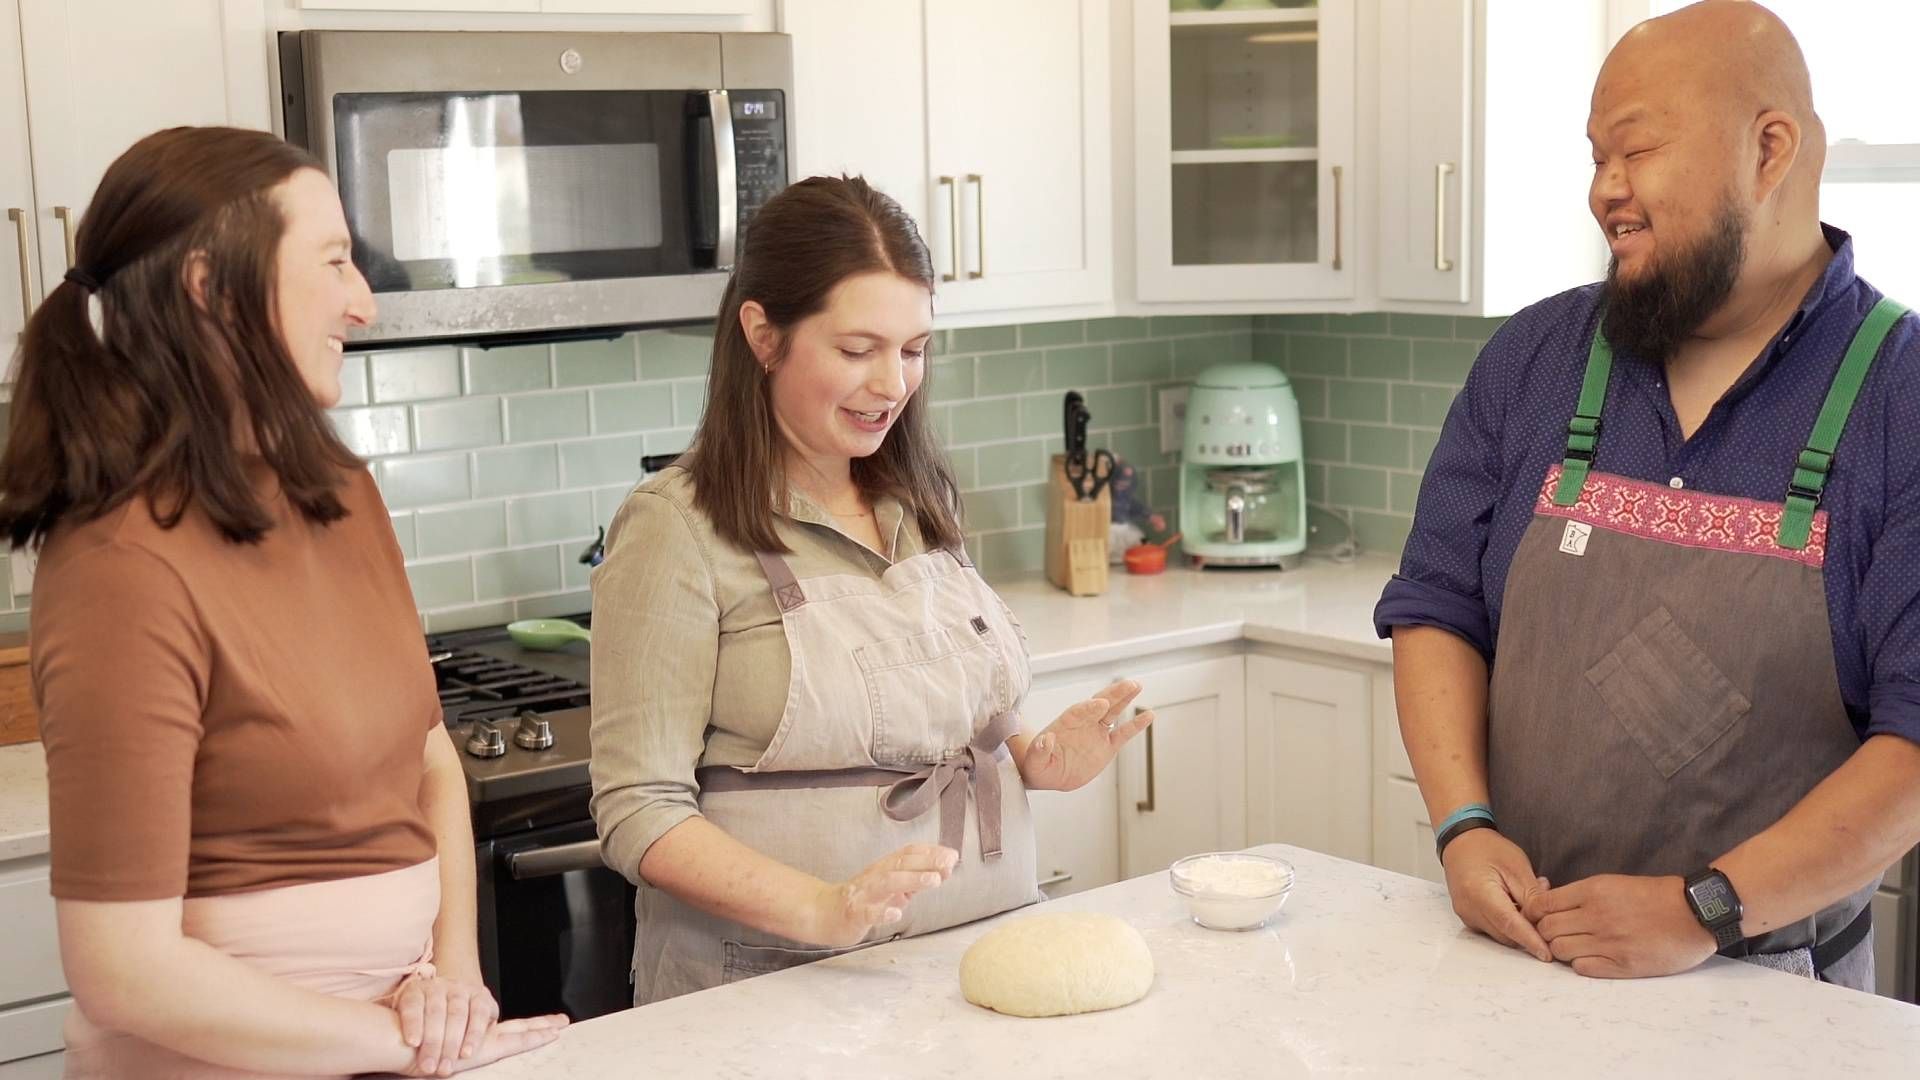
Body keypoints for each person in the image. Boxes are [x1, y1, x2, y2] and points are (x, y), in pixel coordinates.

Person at [1375, 0, 1920, 991]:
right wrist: (1462, 827)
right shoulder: (1530, 360)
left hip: (1776, 999)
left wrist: (1702, 908)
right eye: (1595, 158)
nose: (1604, 192)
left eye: (1634, 152)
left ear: (1769, 151)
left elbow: (1916, 745)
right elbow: (1436, 606)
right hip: (1523, 962)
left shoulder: (1902, 397)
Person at [2, 127, 566, 1078]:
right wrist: (395, 1040)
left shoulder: (338, 489)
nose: (365, 303)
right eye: (335, 261)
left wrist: (452, 989)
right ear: (209, 288)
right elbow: (123, 973)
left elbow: (428, 755)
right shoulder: (121, 563)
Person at [589, 176, 1154, 1004]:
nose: (893, 383)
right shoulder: (676, 529)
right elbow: (640, 809)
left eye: (914, 349)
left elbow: (930, 677)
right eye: (858, 350)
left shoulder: (921, 499)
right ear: (762, 334)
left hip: (977, 958)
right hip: (778, 990)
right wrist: (824, 907)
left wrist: (1032, 754)